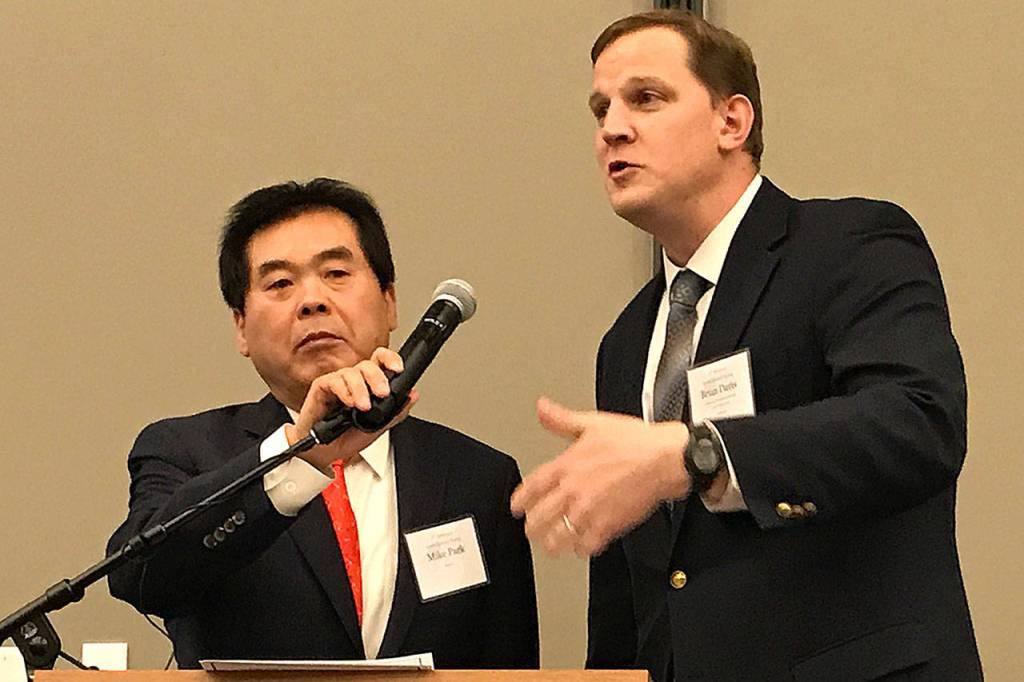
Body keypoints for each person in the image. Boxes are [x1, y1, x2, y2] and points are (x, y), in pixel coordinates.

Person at [511, 10, 981, 681]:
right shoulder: (627, 341)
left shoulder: (849, 245)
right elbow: (630, 602)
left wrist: (696, 453)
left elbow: (917, 424)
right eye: (600, 108)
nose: (611, 127)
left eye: (646, 98)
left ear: (733, 121)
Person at [107, 178, 538, 670]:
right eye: (279, 284)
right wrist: (299, 453)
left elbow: (513, 668)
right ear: (241, 327)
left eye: (336, 273)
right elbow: (140, 577)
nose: (311, 301)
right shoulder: (185, 450)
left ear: (390, 301)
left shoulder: (478, 478)